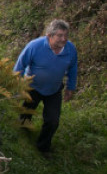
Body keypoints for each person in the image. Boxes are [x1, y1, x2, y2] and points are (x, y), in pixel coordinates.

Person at [13, 19, 78, 154]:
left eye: (66, 35)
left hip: (54, 90)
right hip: (32, 87)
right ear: (49, 36)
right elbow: (20, 65)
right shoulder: (34, 46)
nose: (63, 39)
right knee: (25, 114)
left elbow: (73, 69)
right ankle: (22, 135)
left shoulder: (71, 49)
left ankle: (43, 147)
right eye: (59, 35)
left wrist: (70, 88)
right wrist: (16, 85)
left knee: (53, 121)